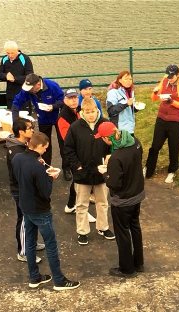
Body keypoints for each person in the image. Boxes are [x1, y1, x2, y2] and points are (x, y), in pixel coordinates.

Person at [12, 131, 80, 291]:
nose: (45, 151)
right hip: (40, 210)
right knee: (50, 244)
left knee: (30, 241)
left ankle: (34, 277)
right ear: (40, 146)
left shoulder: (18, 158)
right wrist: (50, 178)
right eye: (45, 148)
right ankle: (59, 280)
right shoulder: (37, 167)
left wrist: (40, 165)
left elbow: (18, 177)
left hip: (25, 206)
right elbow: (45, 192)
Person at [95, 122, 145, 278]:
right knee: (135, 227)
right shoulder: (134, 141)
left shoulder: (117, 157)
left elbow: (113, 183)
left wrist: (105, 172)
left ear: (106, 138)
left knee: (122, 233)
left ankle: (127, 268)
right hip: (137, 194)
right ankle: (138, 263)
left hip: (122, 200)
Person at [64, 98, 115, 245]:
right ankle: (82, 231)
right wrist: (77, 165)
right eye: (87, 112)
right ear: (82, 112)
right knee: (81, 204)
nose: (91, 115)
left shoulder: (106, 124)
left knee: (103, 202)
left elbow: (113, 143)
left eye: (93, 111)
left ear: (97, 110)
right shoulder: (75, 127)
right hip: (82, 173)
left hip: (101, 172)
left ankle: (103, 227)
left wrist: (109, 157)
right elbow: (68, 149)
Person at [6, 118, 47, 262]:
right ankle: (23, 251)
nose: (32, 130)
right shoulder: (16, 151)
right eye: (29, 128)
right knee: (24, 219)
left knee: (31, 218)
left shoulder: (23, 145)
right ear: (21, 132)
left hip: (26, 188)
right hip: (21, 190)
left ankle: (32, 243)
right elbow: (21, 172)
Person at [144, 65, 179, 184]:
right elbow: (154, 98)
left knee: (174, 147)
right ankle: (148, 168)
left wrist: (172, 102)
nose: (169, 78)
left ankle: (172, 170)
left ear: (177, 75)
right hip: (162, 118)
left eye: (172, 76)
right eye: (168, 76)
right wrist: (154, 93)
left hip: (176, 121)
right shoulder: (164, 81)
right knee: (155, 146)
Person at [56, 89, 96, 223]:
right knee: (81, 182)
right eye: (70, 98)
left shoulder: (79, 110)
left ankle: (70, 205)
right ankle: (80, 209)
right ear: (65, 100)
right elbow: (68, 139)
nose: (73, 100)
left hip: (82, 153)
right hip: (73, 155)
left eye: (75, 97)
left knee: (78, 181)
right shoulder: (63, 117)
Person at [12, 73, 64, 165]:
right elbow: (17, 102)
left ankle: (66, 167)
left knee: (63, 143)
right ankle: (47, 166)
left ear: (38, 84)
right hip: (43, 118)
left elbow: (63, 100)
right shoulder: (28, 90)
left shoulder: (52, 86)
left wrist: (53, 106)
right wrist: (15, 121)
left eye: (32, 89)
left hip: (58, 117)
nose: (30, 91)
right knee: (44, 143)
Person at [0, 41, 34, 109]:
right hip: (10, 94)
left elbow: (30, 76)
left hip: (23, 93)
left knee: (23, 116)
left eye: (12, 53)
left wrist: (15, 79)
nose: (10, 55)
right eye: (8, 53)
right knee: (10, 115)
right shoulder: (4, 59)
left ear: (17, 50)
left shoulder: (25, 59)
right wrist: (6, 76)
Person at [106, 71, 137, 135]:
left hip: (130, 128)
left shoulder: (131, 91)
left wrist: (136, 108)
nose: (129, 81)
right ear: (120, 80)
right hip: (119, 130)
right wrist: (126, 104)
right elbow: (111, 111)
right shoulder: (113, 92)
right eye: (126, 79)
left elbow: (129, 110)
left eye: (130, 79)